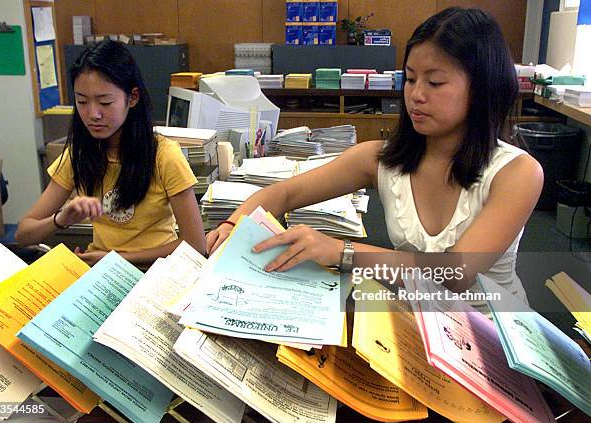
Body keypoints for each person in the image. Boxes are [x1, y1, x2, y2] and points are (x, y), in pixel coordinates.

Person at [206, 7, 543, 309]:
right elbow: (283, 193)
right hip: (420, 325)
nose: (417, 95)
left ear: (483, 87)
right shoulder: (381, 158)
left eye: (435, 82)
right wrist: (233, 223)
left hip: (491, 336)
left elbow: (455, 274)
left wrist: (343, 251)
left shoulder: (517, 172)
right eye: (410, 79)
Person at [15, 40, 205, 266]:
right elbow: (24, 235)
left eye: (105, 102)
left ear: (132, 98)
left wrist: (116, 260)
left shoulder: (163, 155)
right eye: (82, 101)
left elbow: (195, 244)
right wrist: (61, 218)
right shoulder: (78, 154)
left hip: (154, 273)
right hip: (101, 272)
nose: (93, 114)